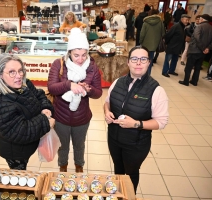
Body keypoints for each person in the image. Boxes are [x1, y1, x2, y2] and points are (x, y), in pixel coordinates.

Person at [104, 45, 169, 194]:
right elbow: (107, 102)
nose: (138, 63)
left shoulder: (156, 90)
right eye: (134, 59)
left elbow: (161, 122)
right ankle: (118, 195)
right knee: (118, 170)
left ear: (148, 62)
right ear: (128, 62)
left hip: (136, 144)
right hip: (114, 139)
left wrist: (135, 124)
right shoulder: (117, 82)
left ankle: (129, 196)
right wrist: (107, 111)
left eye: (143, 59)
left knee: (131, 173)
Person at [0, 54, 55, 170]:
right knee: (18, 175)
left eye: (20, 71)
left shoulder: (23, 84)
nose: (19, 76)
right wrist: (45, 121)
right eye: (12, 72)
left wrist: (46, 108)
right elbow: (21, 131)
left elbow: (39, 95)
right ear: (0, 75)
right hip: (15, 150)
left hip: (29, 143)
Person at [47, 28, 102, 173]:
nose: (80, 59)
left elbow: (98, 93)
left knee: (79, 145)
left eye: (84, 55)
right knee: (62, 145)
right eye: (76, 55)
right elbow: (52, 88)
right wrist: (69, 85)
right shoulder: (58, 64)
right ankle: (63, 167)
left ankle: (79, 167)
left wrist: (88, 89)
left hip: (82, 118)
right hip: (60, 116)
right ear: (69, 53)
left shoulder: (92, 68)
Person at [179, 14, 212, 86]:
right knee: (198, 67)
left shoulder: (199, 27)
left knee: (188, 67)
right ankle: (194, 81)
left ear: (202, 19)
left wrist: (203, 48)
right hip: (203, 52)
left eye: (200, 19)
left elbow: (197, 38)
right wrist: (207, 48)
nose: (199, 20)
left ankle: (186, 81)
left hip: (194, 50)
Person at [139, 9, 165, 75]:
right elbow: (163, 33)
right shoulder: (160, 22)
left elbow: (142, 34)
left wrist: (140, 42)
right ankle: (148, 75)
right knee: (150, 61)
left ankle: (142, 74)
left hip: (145, 45)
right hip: (154, 45)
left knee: (143, 60)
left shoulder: (146, 22)